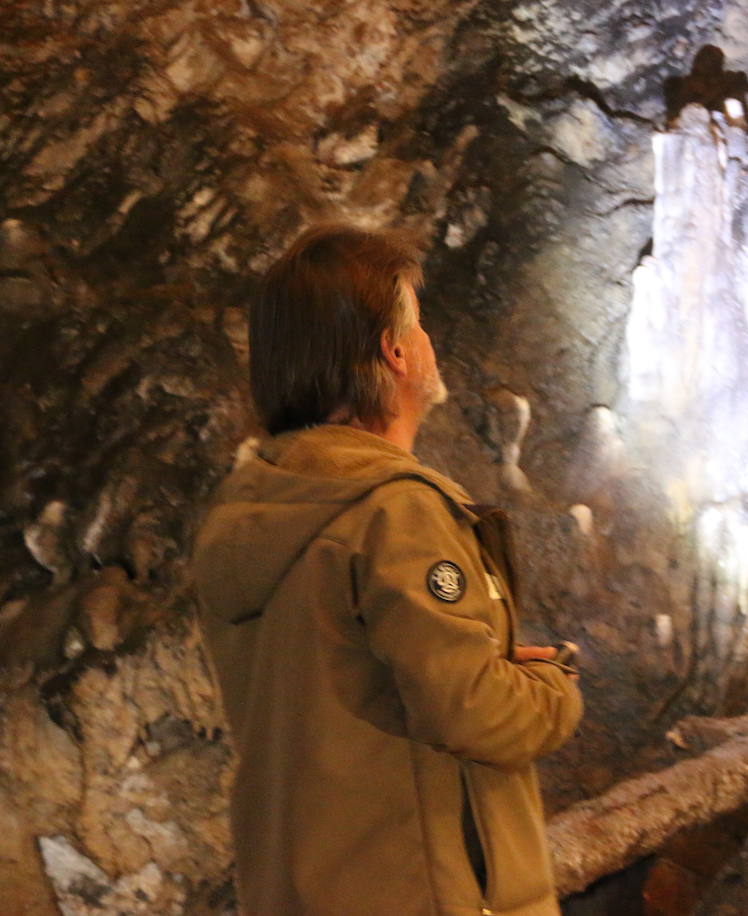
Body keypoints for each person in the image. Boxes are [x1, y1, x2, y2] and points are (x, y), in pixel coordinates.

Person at [192, 224, 582, 916]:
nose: (431, 344)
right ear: (394, 352)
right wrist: (553, 685)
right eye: (421, 326)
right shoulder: (395, 513)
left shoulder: (249, 509)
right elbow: (476, 714)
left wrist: (483, 663)